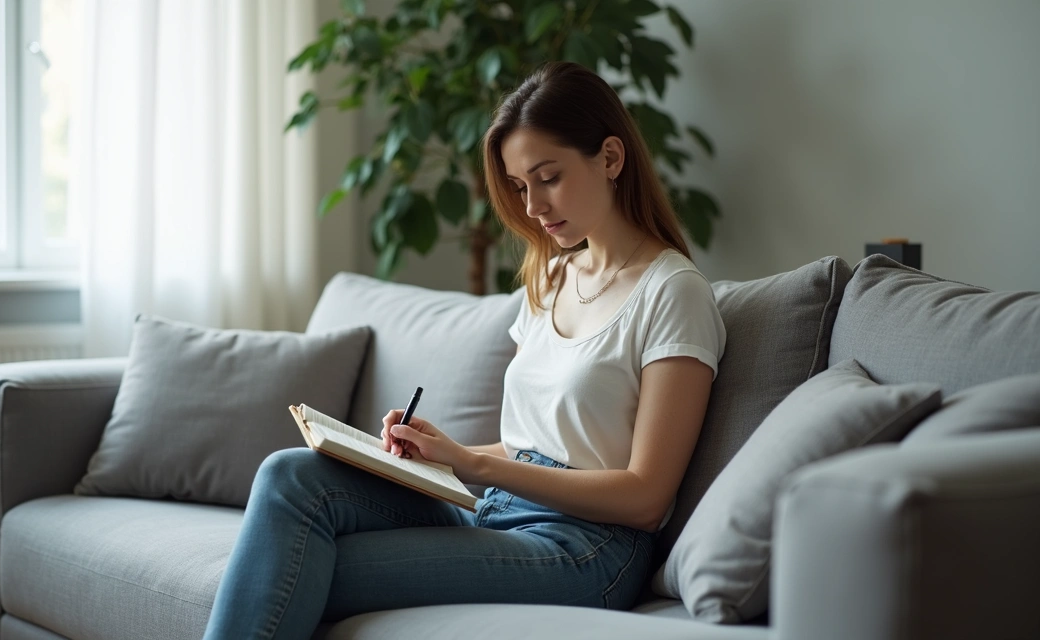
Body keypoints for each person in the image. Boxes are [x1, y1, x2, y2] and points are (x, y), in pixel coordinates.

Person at [202, 61, 726, 640]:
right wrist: (439, 451)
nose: (531, 207)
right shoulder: (550, 279)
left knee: (307, 562)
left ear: (610, 158)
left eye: (547, 177)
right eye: (521, 186)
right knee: (290, 474)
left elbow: (647, 497)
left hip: (588, 548)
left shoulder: (673, 293)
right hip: (498, 509)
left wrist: (472, 464)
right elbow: (536, 442)